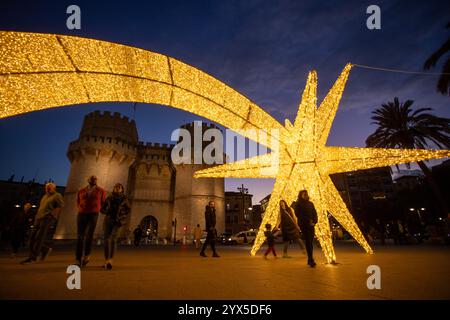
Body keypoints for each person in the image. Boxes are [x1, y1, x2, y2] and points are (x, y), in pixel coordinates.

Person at [21, 183, 64, 264]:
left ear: (54, 188)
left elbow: (60, 206)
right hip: (38, 218)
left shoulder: (57, 195)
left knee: (39, 238)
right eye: (46, 188)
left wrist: (52, 215)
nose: (47, 189)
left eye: (49, 188)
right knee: (32, 237)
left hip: (47, 219)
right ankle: (45, 249)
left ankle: (33, 258)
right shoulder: (44, 196)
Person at [76, 175, 106, 267]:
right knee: (80, 236)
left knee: (89, 235)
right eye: (92, 178)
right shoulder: (81, 191)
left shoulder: (101, 191)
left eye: (95, 178)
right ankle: (78, 258)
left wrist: (98, 209)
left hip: (93, 214)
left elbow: (103, 202)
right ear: (88, 180)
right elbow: (78, 201)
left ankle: (87, 255)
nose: (93, 180)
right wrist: (81, 209)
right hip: (82, 214)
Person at [100, 183, 130, 270]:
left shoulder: (125, 199)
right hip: (108, 220)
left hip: (118, 221)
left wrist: (122, 215)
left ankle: (111, 260)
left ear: (122, 189)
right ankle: (107, 260)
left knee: (113, 239)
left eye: (119, 187)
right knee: (106, 239)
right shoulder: (109, 198)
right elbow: (102, 208)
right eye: (116, 187)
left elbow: (128, 209)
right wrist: (106, 212)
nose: (117, 188)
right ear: (114, 189)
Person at [292, 190, 318, 267]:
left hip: (311, 225)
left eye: (306, 194)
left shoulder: (311, 203)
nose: (306, 195)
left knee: (310, 241)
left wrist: (314, 221)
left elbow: (315, 213)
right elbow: (298, 214)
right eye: (304, 194)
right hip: (304, 225)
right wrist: (308, 220)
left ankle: (310, 259)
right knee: (308, 241)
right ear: (300, 195)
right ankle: (310, 259)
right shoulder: (298, 204)